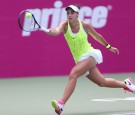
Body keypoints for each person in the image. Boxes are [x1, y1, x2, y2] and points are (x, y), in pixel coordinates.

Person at [40, 4, 135, 115]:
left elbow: (97, 36)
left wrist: (109, 47)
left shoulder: (85, 25)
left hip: (90, 55)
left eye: (72, 12)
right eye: (68, 13)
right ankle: (127, 84)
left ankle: (61, 104)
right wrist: (50, 32)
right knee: (102, 82)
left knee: (73, 74)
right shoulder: (64, 25)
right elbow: (56, 31)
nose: (69, 15)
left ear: (77, 14)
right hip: (80, 60)